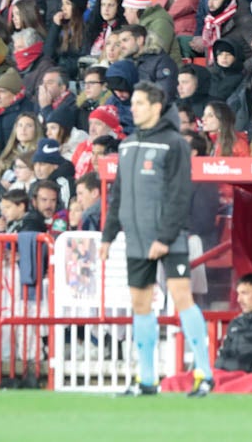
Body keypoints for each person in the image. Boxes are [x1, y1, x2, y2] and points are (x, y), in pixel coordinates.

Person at [99, 82, 212, 396]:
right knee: (140, 304)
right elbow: (118, 193)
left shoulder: (173, 143)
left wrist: (165, 236)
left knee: (181, 297)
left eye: (138, 103)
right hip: (136, 239)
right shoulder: (127, 144)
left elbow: (180, 194)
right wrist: (108, 236)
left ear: (155, 107)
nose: (132, 108)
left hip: (169, 239)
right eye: (132, 103)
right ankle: (147, 379)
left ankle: (205, 372)